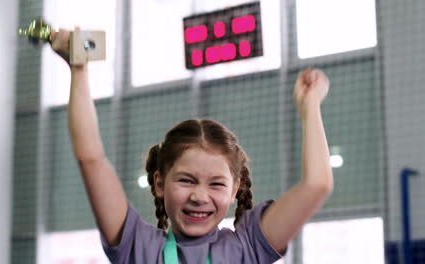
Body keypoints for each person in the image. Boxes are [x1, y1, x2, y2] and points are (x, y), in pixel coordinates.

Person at [50, 28, 333, 264]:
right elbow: (91, 159)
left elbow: (317, 184)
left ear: (235, 189)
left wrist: (310, 108)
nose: (199, 196)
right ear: (159, 183)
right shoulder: (137, 247)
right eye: (186, 180)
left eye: (216, 184)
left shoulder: (247, 248)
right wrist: (79, 70)